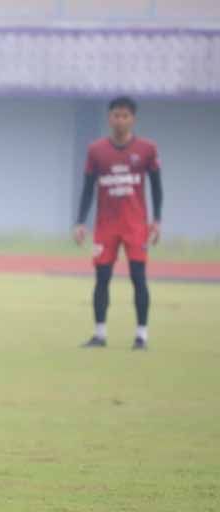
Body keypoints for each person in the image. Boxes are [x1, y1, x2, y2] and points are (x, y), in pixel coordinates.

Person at [73, 96, 163, 350]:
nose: (120, 120)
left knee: (138, 278)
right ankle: (100, 334)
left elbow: (156, 186)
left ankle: (141, 336)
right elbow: (88, 188)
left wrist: (157, 219)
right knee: (102, 278)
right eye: (116, 115)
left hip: (135, 225)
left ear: (133, 118)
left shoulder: (147, 149)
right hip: (106, 226)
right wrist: (80, 221)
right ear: (109, 118)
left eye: (125, 116)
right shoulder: (96, 150)